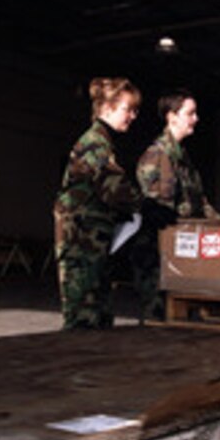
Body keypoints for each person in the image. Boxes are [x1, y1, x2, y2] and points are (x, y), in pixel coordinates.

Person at [53, 77, 143, 329]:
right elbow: (111, 185)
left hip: (93, 240)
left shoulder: (104, 142)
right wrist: (143, 205)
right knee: (83, 315)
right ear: (106, 108)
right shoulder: (95, 142)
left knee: (98, 313)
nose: (133, 115)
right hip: (81, 239)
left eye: (136, 110)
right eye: (128, 109)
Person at [132, 89, 220, 321]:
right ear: (172, 117)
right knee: (160, 325)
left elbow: (200, 203)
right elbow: (161, 215)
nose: (196, 119)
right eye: (190, 113)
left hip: (181, 256)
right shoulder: (158, 157)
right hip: (160, 259)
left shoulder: (182, 158)